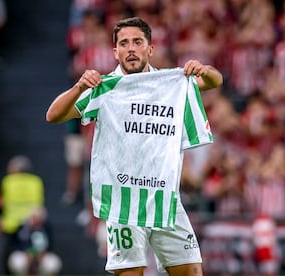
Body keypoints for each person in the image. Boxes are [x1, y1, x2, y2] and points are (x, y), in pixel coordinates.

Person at [46, 17, 223, 275]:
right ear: (115, 51)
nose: (131, 48)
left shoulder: (169, 83)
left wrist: (204, 70)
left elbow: (214, 81)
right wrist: (79, 86)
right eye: (124, 43)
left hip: (165, 199)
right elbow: (53, 115)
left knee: (193, 271)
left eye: (137, 42)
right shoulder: (105, 88)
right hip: (123, 203)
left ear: (149, 49)